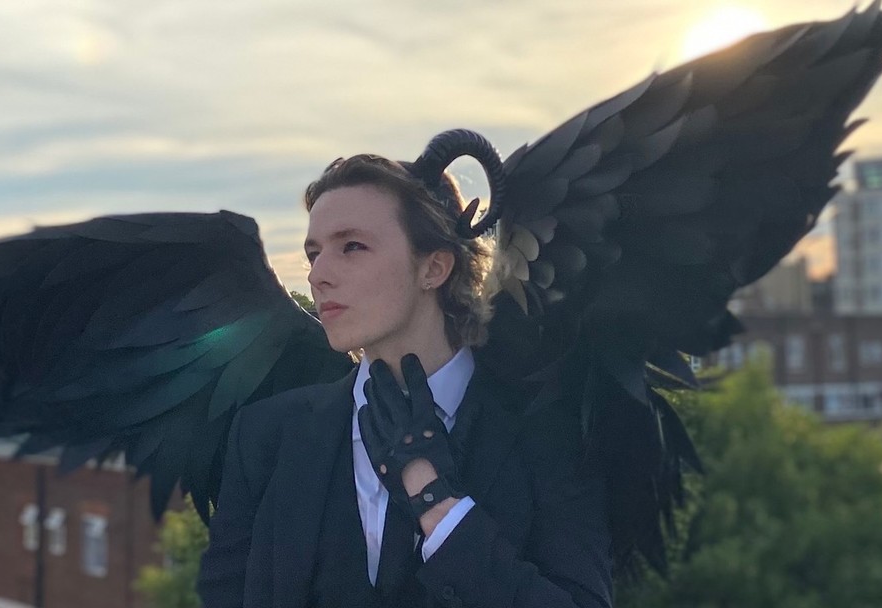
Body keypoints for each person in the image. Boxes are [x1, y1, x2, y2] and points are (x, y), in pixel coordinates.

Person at [196, 154, 613, 607]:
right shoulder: (267, 435)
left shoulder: (547, 431)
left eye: (352, 246)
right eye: (314, 254)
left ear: (434, 268)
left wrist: (437, 503)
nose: (318, 275)